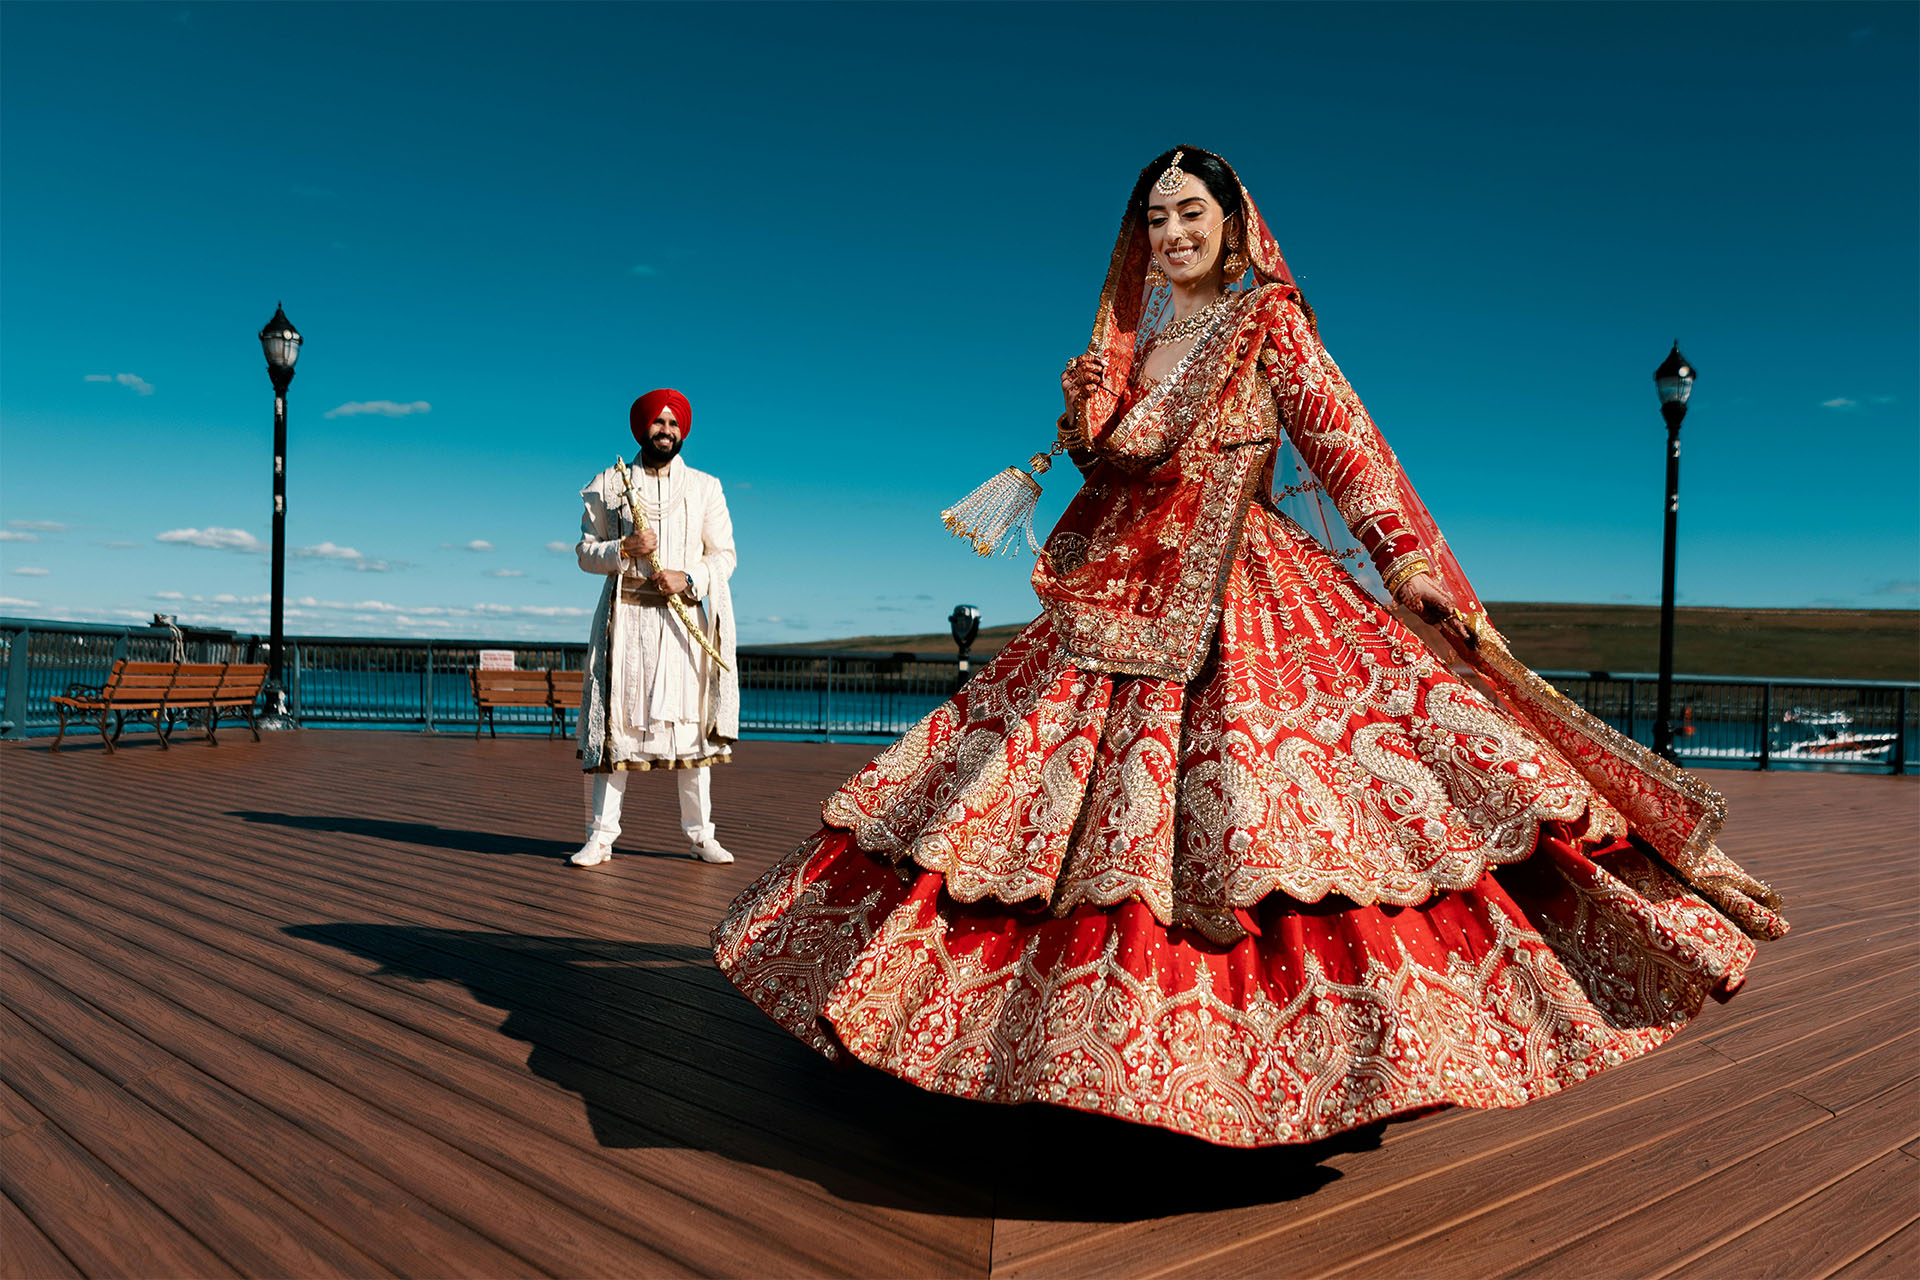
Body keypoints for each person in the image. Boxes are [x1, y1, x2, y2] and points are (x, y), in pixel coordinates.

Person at [711, 148, 1787, 1147]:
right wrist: (1090, 418)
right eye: (1156, 216)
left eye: (1193, 212)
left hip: (1246, 592)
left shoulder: (1266, 324)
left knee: (1283, 829)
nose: (1173, 230)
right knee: (1026, 814)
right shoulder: (1127, 353)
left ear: (1233, 227)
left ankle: (1316, 1066)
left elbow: (1348, 445)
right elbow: (1122, 466)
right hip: (1120, 595)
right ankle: (1046, 1055)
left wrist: (1407, 561)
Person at [572, 387, 739, 868]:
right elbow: (585, 553)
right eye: (658, 422)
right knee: (617, 728)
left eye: (674, 424)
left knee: (689, 731)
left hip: (684, 623)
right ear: (641, 427)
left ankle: (701, 835)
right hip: (626, 627)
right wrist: (622, 547)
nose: (666, 431)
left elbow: (724, 555)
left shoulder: (707, 487)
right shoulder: (608, 484)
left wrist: (690, 578)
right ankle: (601, 837)